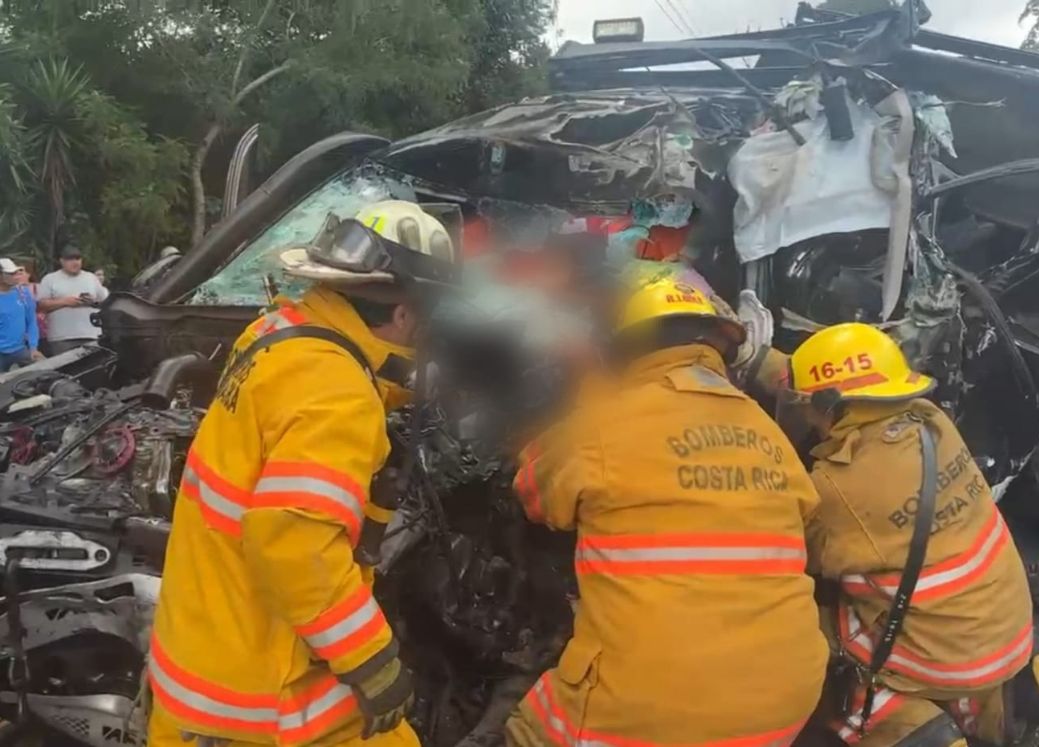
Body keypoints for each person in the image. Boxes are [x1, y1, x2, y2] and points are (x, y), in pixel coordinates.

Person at [147, 201, 458, 747]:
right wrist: (372, 660)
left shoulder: (277, 332)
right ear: (404, 312)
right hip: (258, 708)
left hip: (198, 665)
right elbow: (296, 545)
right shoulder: (338, 393)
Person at [504, 274, 829, 747]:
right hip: (787, 705)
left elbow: (535, 495)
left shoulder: (601, 424)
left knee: (529, 728)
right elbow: (807, 517)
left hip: (649, 715)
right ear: (719, 349)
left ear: (622, 352)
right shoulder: (770, 432)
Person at [781, 323, 1039, 747]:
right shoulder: (932, 423)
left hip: (947, 656)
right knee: (924, 604)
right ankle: (1023, 698)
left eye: (808, 406)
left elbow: (792, 553)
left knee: (799, 631)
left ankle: (914, 730)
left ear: (830, 405)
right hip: (1007, 634)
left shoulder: (839, 486)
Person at [36, 244, 108, 355]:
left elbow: (105, 302)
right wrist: (65, 302)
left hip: (90, 335)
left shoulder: (91, 278)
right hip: (62, 337)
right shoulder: (50, 279)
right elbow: (41, 306)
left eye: (77, 259)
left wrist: (92, 301)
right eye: (70, 259)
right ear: (62, 261)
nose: (75, 262)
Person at [0, 258, 40, 370]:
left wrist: (33, 346)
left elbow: (31, 320)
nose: (16, 276)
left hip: (20, 349)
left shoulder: (23, 293)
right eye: (10, 274)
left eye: (15, 272)